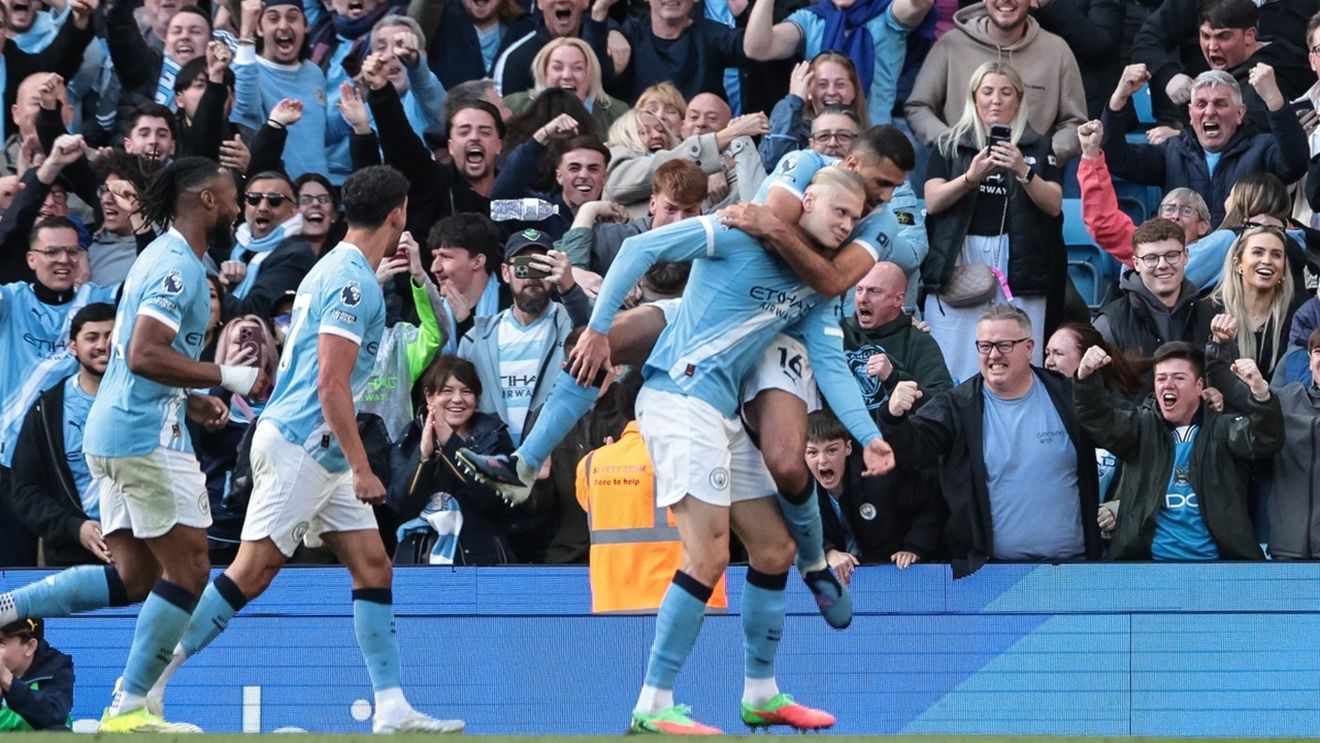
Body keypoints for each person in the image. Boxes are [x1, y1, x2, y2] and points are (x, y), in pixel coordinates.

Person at [539, 167, 892, 733]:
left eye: (856, 219)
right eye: (840, 213)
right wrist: (598, 326)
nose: (848, 225)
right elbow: (638, 247)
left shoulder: (814, 286)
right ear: (804, 201)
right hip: (679, 400)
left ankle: (761, 694)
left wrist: (871, 436)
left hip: (720, 412)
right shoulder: (740, 232)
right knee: (707, 555)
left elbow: (828, 354)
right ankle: (653, 703)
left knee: (773, 550)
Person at [149, 166, 463, 733]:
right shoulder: (352, 282)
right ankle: (146, 687)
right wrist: (365, 469)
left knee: (373, 566)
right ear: (399, 213)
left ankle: (391, 708)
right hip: (303, 443)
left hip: (321, 450)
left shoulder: (339, 269)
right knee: (252, 572)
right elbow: (331, 384)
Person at [0, 158, 259, 731]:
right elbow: (143, 352)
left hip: (118, 428)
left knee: (136, 576)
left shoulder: (166, 256)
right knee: (190, 569)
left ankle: (10, 607)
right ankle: (131, 705)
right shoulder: (176, 266)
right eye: (233, 194)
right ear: (208, 201)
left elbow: (129, 360)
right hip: (142, 439)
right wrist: (225, 375)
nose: (239, 205)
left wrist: (190, 397)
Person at [881, 305, 1103, 578]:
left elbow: (1117, 434)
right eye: (984, 346)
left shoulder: (1065, 394)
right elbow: (912, 447)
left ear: (1029, 347)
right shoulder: (957, 405)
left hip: (1076, 570)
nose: (994, 355)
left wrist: (1091, 386)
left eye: (1005, 345)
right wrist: (893, 417)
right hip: (989, 578)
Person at [920, 61, 1064, 382]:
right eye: (987, 92)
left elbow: (1053, 204)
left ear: (1019, 98)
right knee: (955, 353)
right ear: (974, 97)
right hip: (962, 255)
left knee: (1016, 352)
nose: (996, 100)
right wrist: (969, 178)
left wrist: (1023, 170)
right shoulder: (950, 143)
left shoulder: (1038, 146)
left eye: (1005, 92)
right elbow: (933, 201)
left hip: (1020, 257)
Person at [1074, 340, 1282, 560]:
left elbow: (1264, 439)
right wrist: (1086, 377)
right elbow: (1097, 417)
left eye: (1179, 378)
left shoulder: (1222, 430)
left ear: (1199, 385)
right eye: (1161, 378)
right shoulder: (1141, 430)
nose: (1168, 385)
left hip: (1217, 570)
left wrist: (1260, 392)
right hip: (1149, 569)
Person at [1102, 65, 1308, 229]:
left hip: (1241, 264)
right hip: (1183, 265)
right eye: (1201, 104)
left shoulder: (1262, 147)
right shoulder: (1172, 151)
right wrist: (1119, 98)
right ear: (1191, 114)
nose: (1209, 112)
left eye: (1220, 104)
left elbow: (1295, 164)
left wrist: (1274, 99)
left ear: (1239, 113)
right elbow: (1115, 158)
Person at [904, 0, 1087, 160]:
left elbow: (1074, 122)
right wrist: (950, 143)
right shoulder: (951, 44)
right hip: (960, 175)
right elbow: (918, 106)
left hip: (1032, 181)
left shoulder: (1057, 50)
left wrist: (1044, 156)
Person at [457, 228, 589, 444]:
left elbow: (591, 329)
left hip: (557, 458)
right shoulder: (476, 340)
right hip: (495, 460)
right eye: (523, 267)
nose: (531, 276)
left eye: (542, 266)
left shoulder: (571, 324)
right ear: (506, 272)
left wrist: (569, 286)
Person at [9, 303, 115, 568]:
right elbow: (25, 490)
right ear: (72, 346)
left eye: (111, 336)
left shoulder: (146, 401)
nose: (103, 345)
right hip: (70, 559)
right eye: (92, 338)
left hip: (141, 552)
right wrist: (75, 529)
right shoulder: (46, 410)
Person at [388, 355, 518, 565]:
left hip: (481, 559)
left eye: (466, 391)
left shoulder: (494, 434)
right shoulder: (409, 438)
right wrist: (423, 457)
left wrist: (450, 444)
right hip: (418, 558)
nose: (458, 399)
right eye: (447, 391)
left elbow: (493, 498)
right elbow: (400, 503)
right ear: (429, 396)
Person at [743, 0, 934, 125]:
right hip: (821, 140)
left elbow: (919, 4)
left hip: (873, 141)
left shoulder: (887, 15)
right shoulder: (811, 19)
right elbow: (757, 48)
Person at [805, 411, 943, 582]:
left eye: (831, 450)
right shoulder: (795, 487)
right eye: (812, 453)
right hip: (844, 579)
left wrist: (914, 548)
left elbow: (930, 501)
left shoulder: (879, 475)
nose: (822, 460)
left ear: (847, 448)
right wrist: (827, 552)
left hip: (895, 574)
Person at [1077, 118, 1212, 267]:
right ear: (1159, 217)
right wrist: (1091, 156)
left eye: (1186, 211)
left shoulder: (1217, 259)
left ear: (1203, 226)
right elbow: (1103, 222)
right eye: (1168, 209)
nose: (1175, 216)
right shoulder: (1145, 248)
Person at [230, 0, 330, 180]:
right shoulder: (248, 69)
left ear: (305, 26)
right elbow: (245, 109)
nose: (284, 26)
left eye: (292, 18)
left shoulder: (314, 73)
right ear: (259, 29)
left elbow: (321, 131)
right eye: (273, 19)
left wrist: (361, 98)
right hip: (278, 194)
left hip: (318, 193)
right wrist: (246, 33)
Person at [581, 0, 751, 101]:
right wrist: (600, 9)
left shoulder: (711, 34)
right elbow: (596, 77)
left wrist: (744, 15)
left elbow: (753, 49)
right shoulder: (632, 35)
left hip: (701, 142)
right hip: (642, 143)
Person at [562, 158, 707, 275]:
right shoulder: (612, 238)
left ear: (700, 209)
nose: (679, 221)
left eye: (689, 211)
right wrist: (576, 273)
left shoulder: (712, 244)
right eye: (670, 209)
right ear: (653, 204)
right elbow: (559, 263)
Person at [1094, 218, 1213, 357]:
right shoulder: (1110, 324)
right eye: (1151, 258)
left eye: (1172, 255)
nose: (1162, 265)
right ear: (1136, 263)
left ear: (1185, 256)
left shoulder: (1211, 317)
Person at [843, 260, 952, 413]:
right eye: (859, 290)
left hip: (895, 433)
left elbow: (944, 402)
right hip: (839, 435)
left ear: (898, 300)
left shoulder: (918, 341)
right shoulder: (838, 333)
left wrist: (893, 378)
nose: (863, 298)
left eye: (874, 291)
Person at [220, 170, 316, 318]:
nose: (263, 207)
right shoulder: (229, 244)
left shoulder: (296, 254)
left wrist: (218, 289)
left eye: (274, 200)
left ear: (293, 210)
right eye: (254, 199)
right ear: (245, 205)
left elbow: (252, 312)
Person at [1207, 226, 1295, 379]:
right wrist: (1219, 345)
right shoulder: (1208, 310)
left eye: (1276, 255)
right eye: (1257, 252)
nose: (1267, 261)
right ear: (1238, 264)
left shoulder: (1296, 315)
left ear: (1283, 269)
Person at [758, 55, 869, 171]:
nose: (831, 92)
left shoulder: (870, 136)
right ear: (808, 91)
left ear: (854, 91)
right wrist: (794, 100)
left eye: (840, 85)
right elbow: (775, 165)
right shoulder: (793, 130)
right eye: (822, 84)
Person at [1266, 326, 1320, 558]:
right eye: (1319, 351)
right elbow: (1239, 395)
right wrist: (1219, 349)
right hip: (1289, 549)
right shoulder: (1287, 399)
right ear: (1310, 361)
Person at [503, 37, 629, 136]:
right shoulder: (514, 106)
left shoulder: (618, 114)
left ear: (591, 74)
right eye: (557, 67)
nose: (567, 75)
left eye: (577, 68)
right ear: (544, 73)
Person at [0, 618, 73, 731]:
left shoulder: (54, 670)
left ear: (30, 647)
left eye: (1, 643)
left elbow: (55, 716)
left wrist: (8, 681)